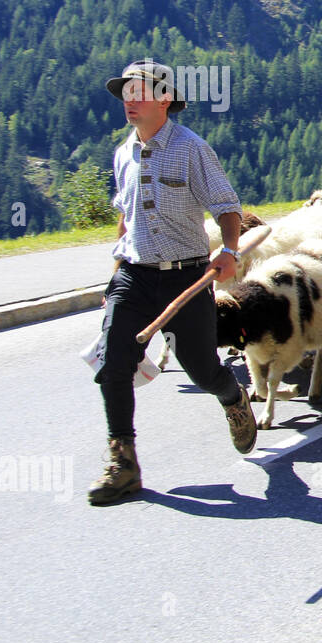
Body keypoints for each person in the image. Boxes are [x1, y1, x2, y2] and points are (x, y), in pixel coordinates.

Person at [87, 58, 258, 506]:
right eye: (125, 92)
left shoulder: (190, 148)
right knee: (112, 365)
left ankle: (232, 396)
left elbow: (226, 205)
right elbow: (126, 218)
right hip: (135, 276)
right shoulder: (122, 152)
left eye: (138, 91)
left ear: (165, 98)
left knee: (202, 369)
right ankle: (123, 462)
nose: (129, 100)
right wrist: (116, 271)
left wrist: (228, 251)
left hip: (185, 277)